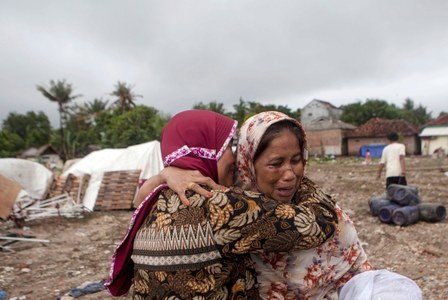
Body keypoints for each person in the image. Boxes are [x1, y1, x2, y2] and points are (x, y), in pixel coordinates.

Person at [160, 111, 422, 299]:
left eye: (296, 160)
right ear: (248, 164)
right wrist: (167, 174)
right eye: (275, 164)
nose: (289, 174)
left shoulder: (322, 208)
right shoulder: (230, 206)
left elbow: (358, 275)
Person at [104, 110, 338, 299]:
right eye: (225, 147)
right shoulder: (218, 205)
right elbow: (319, 224)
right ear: (204, 152)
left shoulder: (152, 202)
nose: (235, 158)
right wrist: (296, 173)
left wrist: (164, 173)